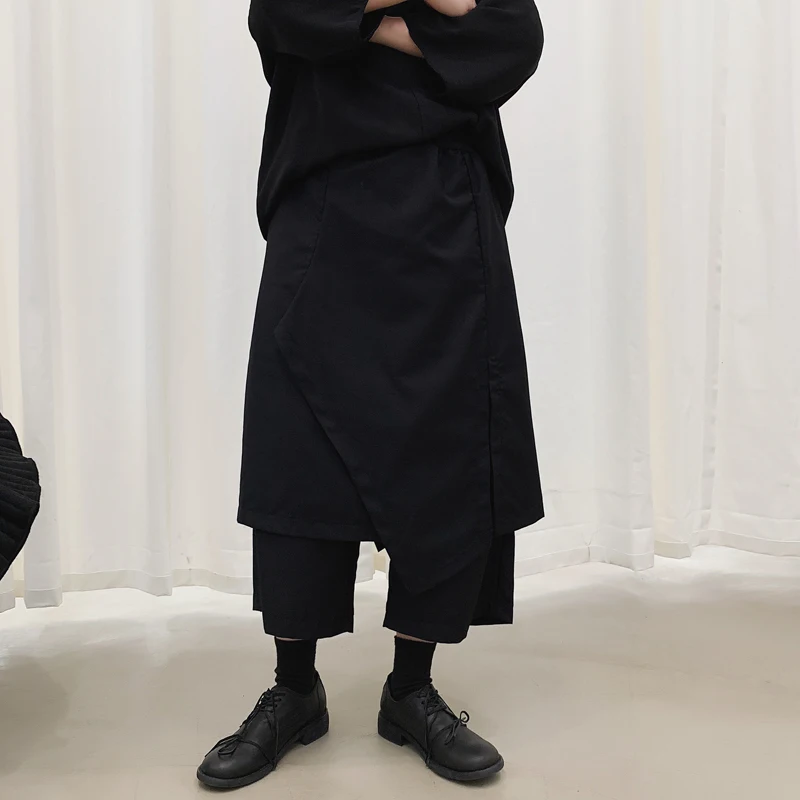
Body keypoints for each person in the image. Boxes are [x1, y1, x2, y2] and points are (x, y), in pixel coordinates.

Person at [197, 0, 545, 789]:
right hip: (322, 202)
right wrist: (426, 21)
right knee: (299, 457)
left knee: (448, 450)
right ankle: (294, 690)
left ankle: (410, 690)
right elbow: (282, 14)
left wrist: (359, 22)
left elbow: (513, 39)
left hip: (448, 216)